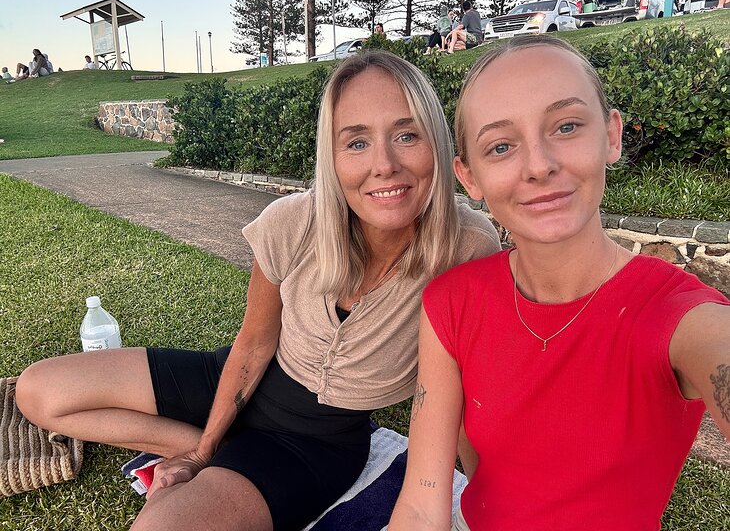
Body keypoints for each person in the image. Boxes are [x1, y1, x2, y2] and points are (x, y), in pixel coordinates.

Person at [15, 50, 501, 531]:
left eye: (407, 135)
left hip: (314, 443)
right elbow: (253, 344)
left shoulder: (467, 247)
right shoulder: (293, 222)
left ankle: (233, 460)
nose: (384, 164)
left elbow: (466, 392)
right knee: (37, 392)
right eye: (356, 142)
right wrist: (201, 451)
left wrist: (489, 503)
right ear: (332, 158)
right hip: (237, 379)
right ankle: (207, 444)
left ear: (436, 141)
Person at [390, 35, 730, 530]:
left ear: (611, 136)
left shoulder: (679, 315)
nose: (539, 165)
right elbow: (422, 505)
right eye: (501, 146)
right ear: (469, 177)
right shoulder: (451, 302)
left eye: (566, 126)